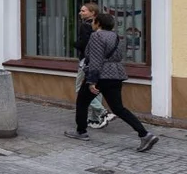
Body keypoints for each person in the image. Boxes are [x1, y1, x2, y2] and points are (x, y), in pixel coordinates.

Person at [65, 12, 159, 152]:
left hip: (101, 75)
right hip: (116, 74)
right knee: (118, 108)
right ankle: (145, 134)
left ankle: (81, 132)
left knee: (82, 102)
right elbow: (119, 55)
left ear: (98, 23)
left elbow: (96, 60)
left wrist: (91, 81)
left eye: (93, 21)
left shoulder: (96, 36)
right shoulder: (115, 36)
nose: (92, 23)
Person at [74, 2, 112, 129]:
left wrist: (75, 44)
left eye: (84, 11)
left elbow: (84, 44)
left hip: (87, 61)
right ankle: (95, 119)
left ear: (93, 13)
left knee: (80, 88)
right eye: (81, 10)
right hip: (100, 62)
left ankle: (103, 112)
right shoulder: (100, 27)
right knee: (96, 89)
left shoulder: (85, 25)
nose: (80, 13)